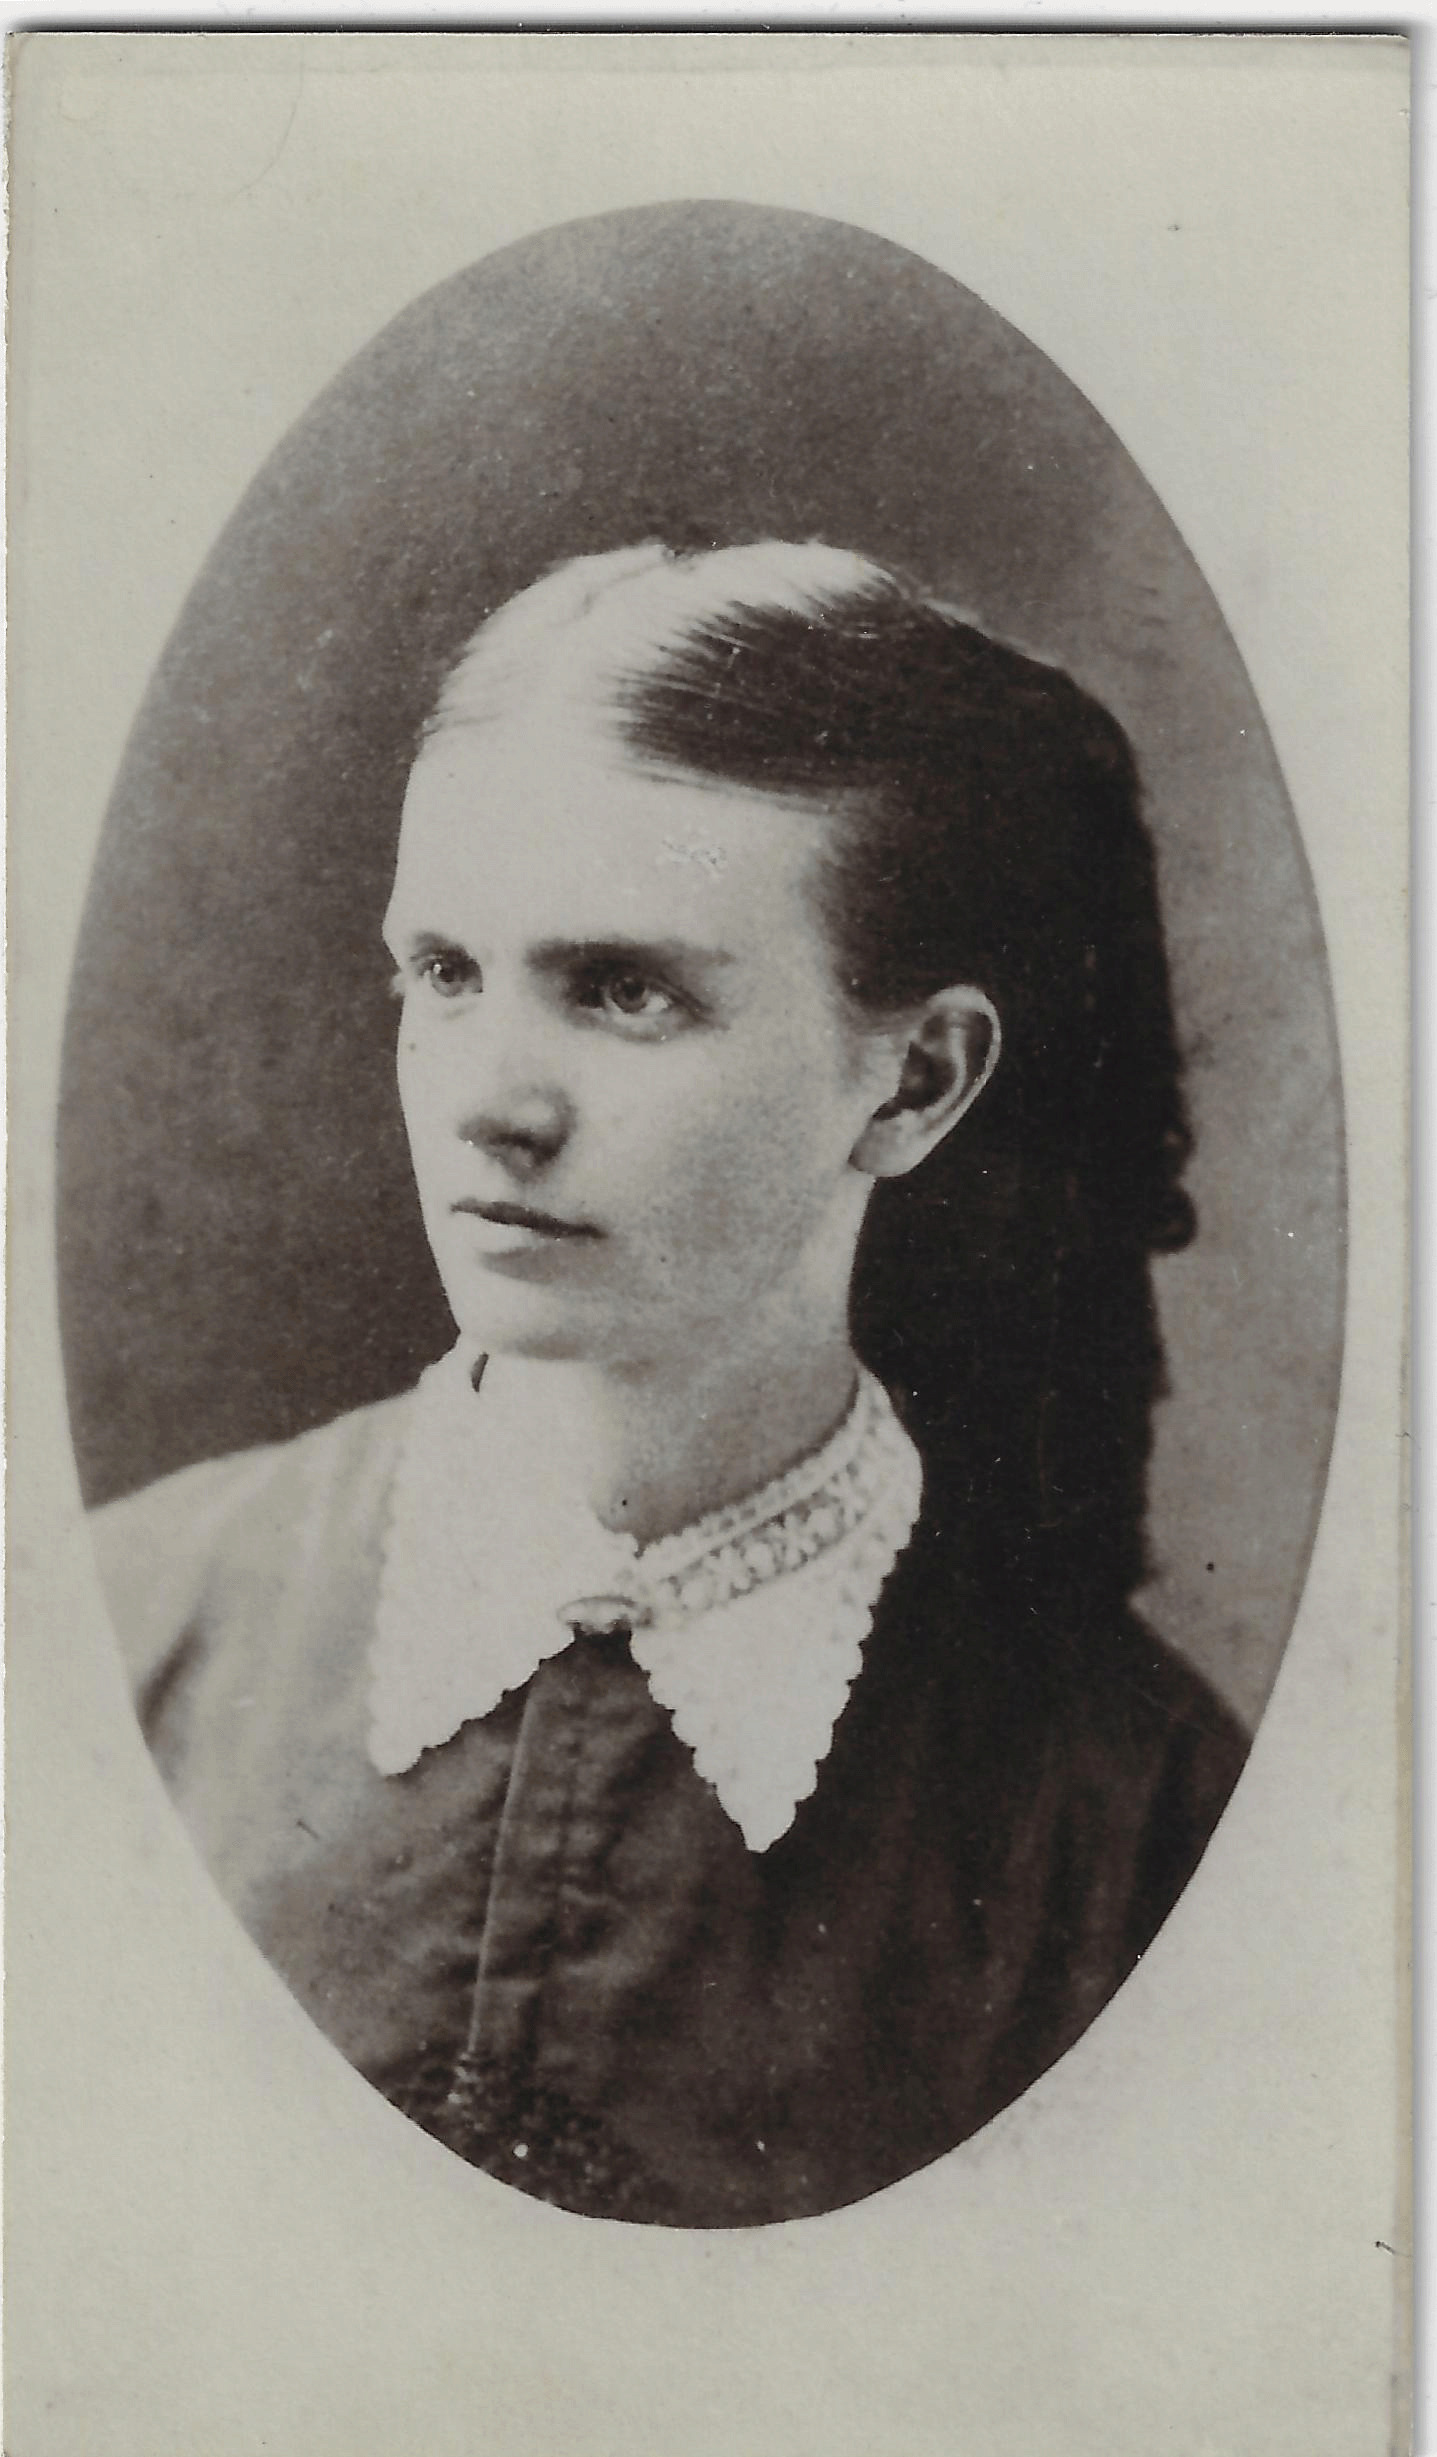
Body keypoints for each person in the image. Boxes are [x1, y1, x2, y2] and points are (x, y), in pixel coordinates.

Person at [91, 539, 1247, 2227]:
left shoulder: (1134, 1829)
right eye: (444, 973)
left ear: (913, 1081)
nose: (491, 1103)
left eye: (623, 991)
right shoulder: (124, 1632)